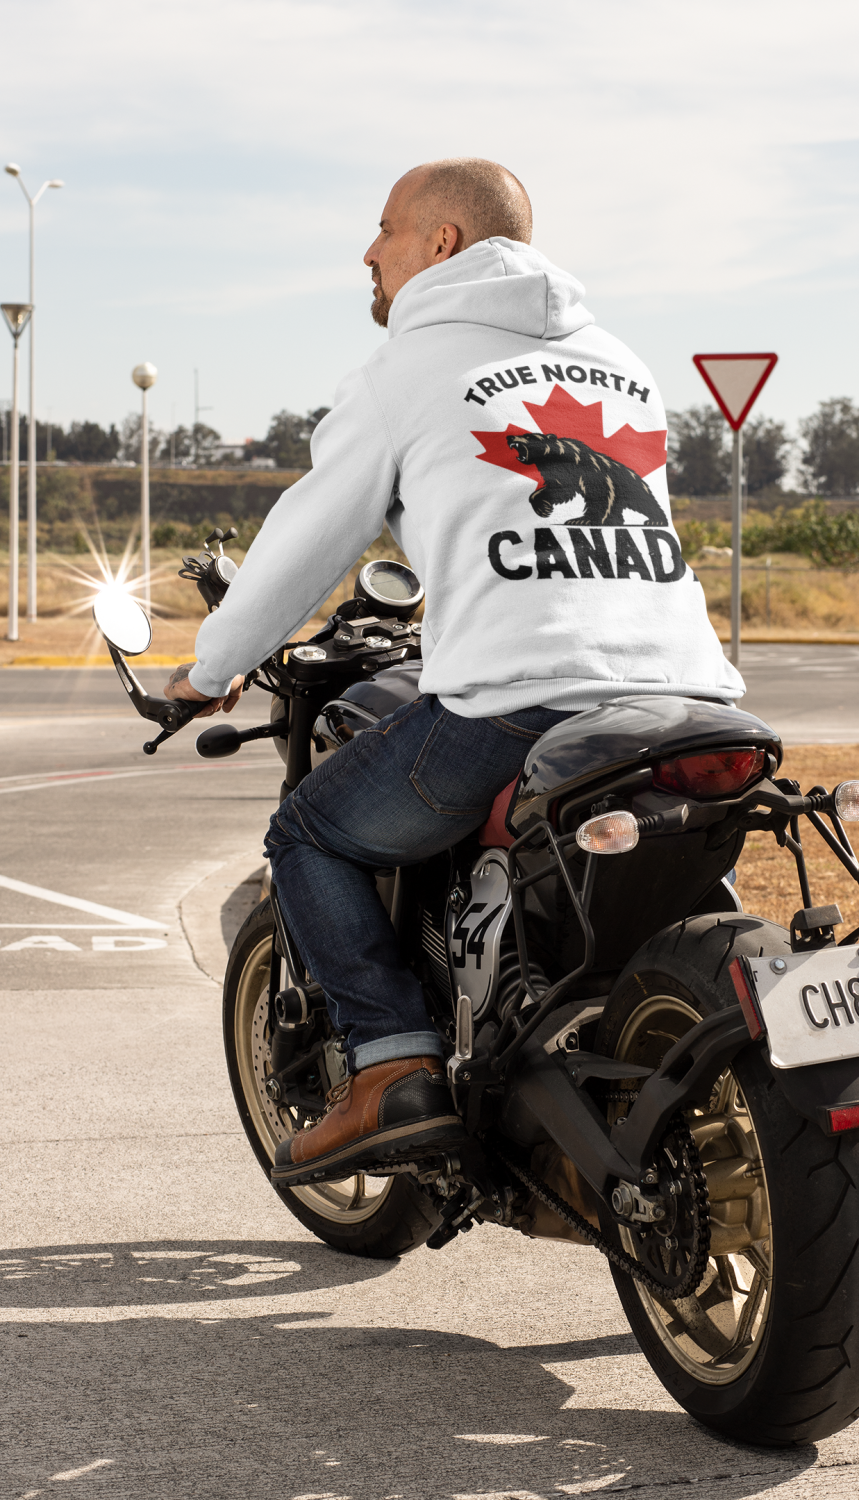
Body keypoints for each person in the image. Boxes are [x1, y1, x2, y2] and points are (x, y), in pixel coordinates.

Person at [164, 157, 744, 1185]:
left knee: (310, 833)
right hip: (688, 696)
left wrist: (212, 667)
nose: (366, 252)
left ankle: (391, 1071)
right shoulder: (615, 358)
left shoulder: (407, 370)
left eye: (383, 228)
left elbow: (304, 539)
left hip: (522, 702)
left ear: (440, 243)